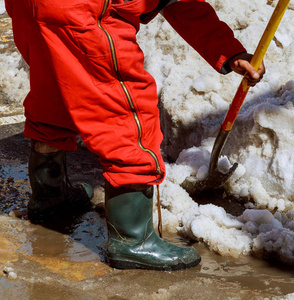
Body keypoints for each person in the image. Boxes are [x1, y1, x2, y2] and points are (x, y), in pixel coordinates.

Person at [5, 0, 265, 271]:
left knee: (55, 91)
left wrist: (228, 50)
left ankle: (49, 195)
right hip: (82, 11)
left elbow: (181, 3)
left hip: (32, 7)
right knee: (125, 111)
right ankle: (132, 240)